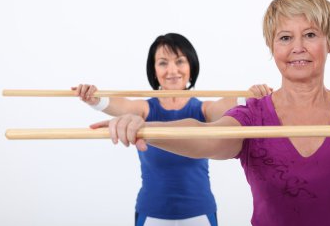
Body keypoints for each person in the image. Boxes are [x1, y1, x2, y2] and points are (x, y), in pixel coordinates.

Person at [93, 0, 330, 226]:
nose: (298, 47)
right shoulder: (253, 116)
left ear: (329, 41)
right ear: (272, 47)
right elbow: (204, 134)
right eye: (285, 37)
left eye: (310, 34)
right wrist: (144, 127)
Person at [73, 33, 272, 226]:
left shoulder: (202, 109)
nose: (172, 70)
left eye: (179, 61)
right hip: (152, 212)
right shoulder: (145, 109)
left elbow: (223, 106)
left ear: (191, 66)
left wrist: (248, 97)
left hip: (199, 211)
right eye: (162, 62)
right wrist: (96, 99)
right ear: (154, 70)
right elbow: (122, 105)